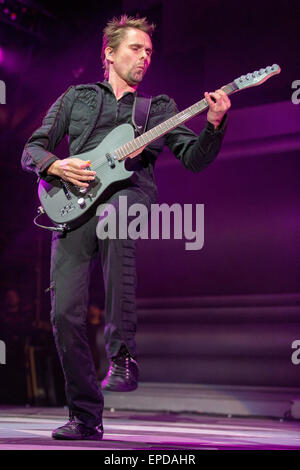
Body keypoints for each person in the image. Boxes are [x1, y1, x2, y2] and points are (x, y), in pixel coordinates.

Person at [21, 14, 231, 440]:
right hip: (73, 206)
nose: (144, 57)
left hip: (126, 200)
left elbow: (193, 159)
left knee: (113, 217)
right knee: (64, 315)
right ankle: (85, 417)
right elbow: (32, 149)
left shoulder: (158, 109)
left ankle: (122, 357)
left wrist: (214, 125)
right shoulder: (76, 97)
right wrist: (56, 164)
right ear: (109, 53)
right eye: (136, 49)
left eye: (149, 51)